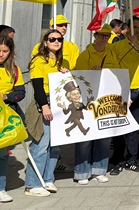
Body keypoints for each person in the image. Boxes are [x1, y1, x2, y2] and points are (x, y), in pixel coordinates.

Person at [25, 29, 70, 197]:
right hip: (45, 102)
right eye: (52, 39)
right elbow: (37, 86)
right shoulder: (38, 60)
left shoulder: (60, 61)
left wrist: (64, 74)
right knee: (41, 145)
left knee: (55, 145)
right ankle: (32, 184)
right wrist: (44, 106)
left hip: (59, 103)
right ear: (45, 42)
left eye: (59, 39)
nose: (56, 42)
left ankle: (48, 179)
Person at [108, 15, 139, 175]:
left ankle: (132, 160)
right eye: (135, 27)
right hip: (121, 90)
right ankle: (119, 159)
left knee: (135, 128)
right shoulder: (116, 46)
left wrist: (137, 46)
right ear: (127, 29)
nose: (138, 30)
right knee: (120, 127)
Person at [73, 24, 116, 185]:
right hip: (87, 101)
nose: (104, 38)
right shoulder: (85, 54)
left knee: (104, 137)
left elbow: (117, 74)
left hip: (105, 100)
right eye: (101, 35)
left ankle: (99, 170)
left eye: (107, 36)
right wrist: (91, 72)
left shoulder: (111, 53)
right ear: (95, 36)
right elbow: (78, 77)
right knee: (85, 138)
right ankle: (82, 172)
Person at [0, 36, 24, 203]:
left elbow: (20, 93)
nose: (1, 54)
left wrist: (7, 96)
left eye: (5, 51)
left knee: (2, 155)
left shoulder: (14, 69)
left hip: (5, 118)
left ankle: (1, 189)